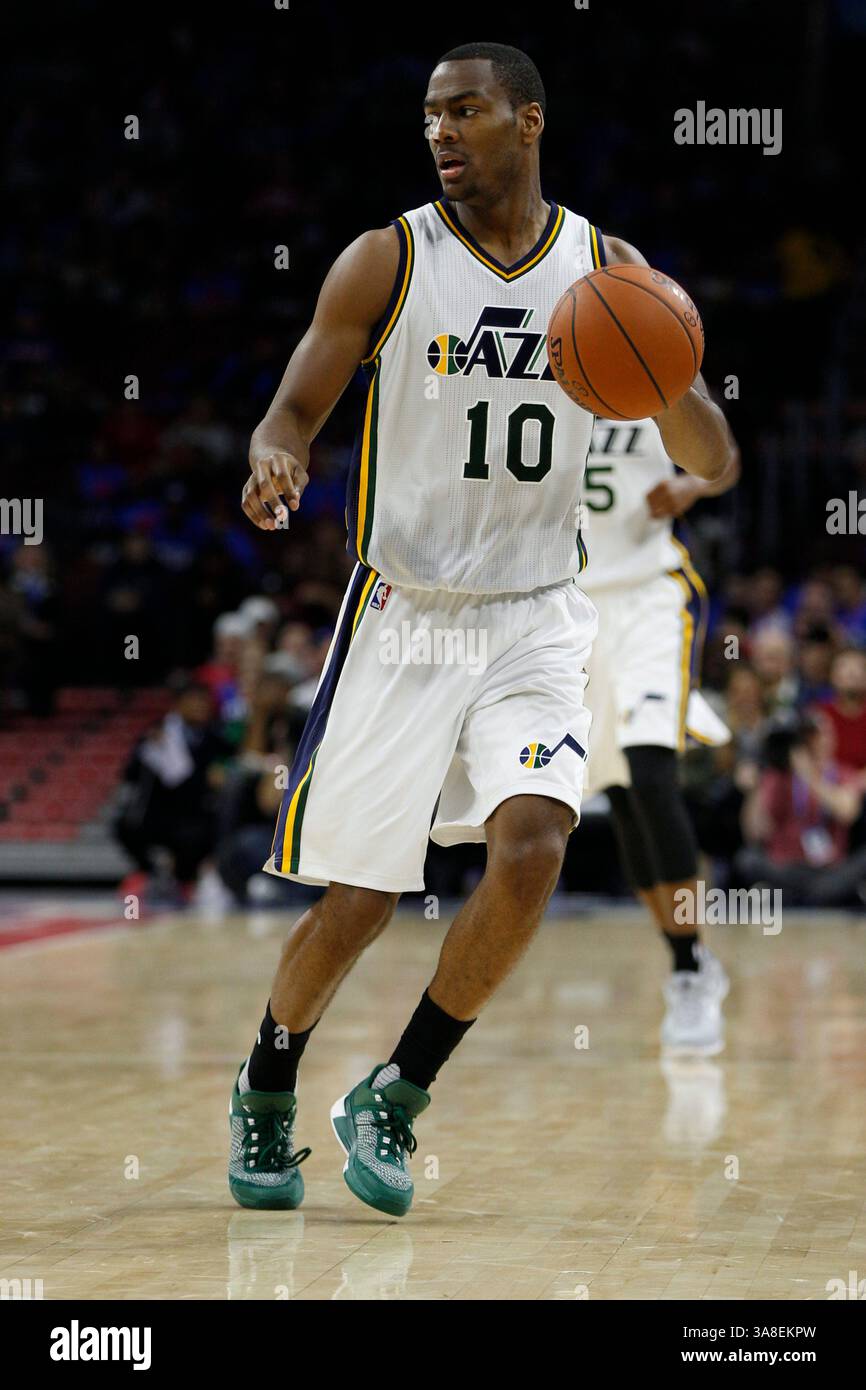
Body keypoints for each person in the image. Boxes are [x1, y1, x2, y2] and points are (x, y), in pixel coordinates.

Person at [231, 42, 731, 1217]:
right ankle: (267, 1078)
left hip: (534, 613)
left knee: (534, 844)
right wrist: (273, 452)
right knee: (357, 896)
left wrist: (671, 377)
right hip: (403, 611)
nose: (442, 132)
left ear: (529, 120)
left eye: (465, 111)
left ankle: (396, 1092)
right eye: (428, 117)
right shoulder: (385, 258)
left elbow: (710, 452)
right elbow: (296, 404)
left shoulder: (603, 269)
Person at [579, 416, 739, 1055]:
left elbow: (725, 458)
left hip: (649, 596)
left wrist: (692, 488)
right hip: (571, 603)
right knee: (619, 791)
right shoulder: (540, 362)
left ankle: (690, 971)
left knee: (650, 773)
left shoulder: (650, 355)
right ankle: (686, 955)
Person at [736, 711, 866, 906]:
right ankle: (810, 897)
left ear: (832, 739)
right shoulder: (777, 776)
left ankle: (789, 896)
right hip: (785, 865)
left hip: (829, 868)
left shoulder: (843, 773)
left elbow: (847, 812)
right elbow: (755, 832)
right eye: (809, 736)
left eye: (821, 735)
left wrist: (808, 774)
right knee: (747, 859)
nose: (816, 742)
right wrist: (755, 788)